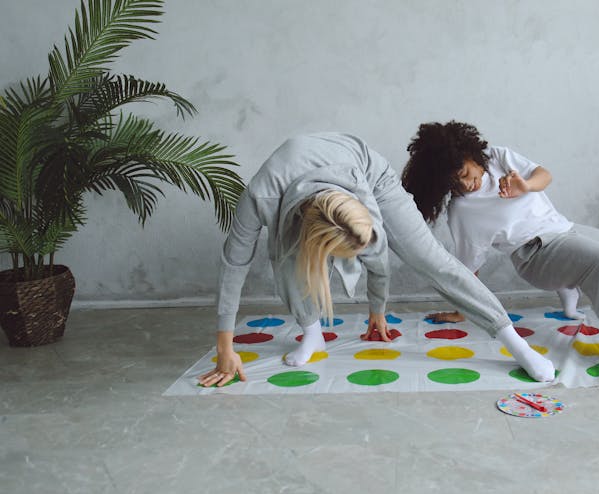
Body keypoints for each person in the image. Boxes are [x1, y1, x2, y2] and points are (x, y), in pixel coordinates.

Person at [199, 132, 555, 387]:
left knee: (433, 260)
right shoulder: (260, 197)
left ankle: (515, 343)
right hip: (295, 191)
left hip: (368, 175)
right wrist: (224, 348)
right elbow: (233, 265)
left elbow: (378, 253)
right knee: (286, 260)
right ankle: (312, 333)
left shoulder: (359, 188)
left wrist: (377, 309)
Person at [401, 121, 599, 383]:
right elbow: (466, 270)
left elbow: (543, 175)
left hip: (568, 230)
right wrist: (460, 311)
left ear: (472, 155)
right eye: (453, 184)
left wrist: (526, 186)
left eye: (464, 174)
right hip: (537, 254)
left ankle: (577, 280)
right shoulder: (462, 212)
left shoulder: (498, 157)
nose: (464, 185)